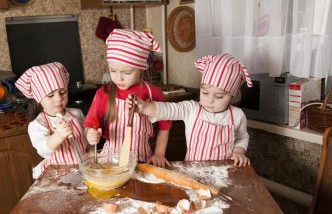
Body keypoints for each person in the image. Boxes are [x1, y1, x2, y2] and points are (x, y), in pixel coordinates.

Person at [128, 53, 252, 167]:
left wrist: (239, 151)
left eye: (219, 96)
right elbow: (168, 109)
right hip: (193, 170)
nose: (210, 100)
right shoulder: (192, 109)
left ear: (233, 96)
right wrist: (145, 107)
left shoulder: (237, 115)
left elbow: (242, 137)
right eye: (205, 93)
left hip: (224, 172)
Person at [84, 29, 172, 167]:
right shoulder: (103, 93)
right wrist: (90, 133)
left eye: (127, 72)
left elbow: (165, 127)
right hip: (109, 162)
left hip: (142, 161)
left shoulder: (154, 93)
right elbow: (89, 125)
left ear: (141, 68)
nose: (119, 78)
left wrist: (159, 154)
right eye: (112, 70)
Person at [15, 62, 88, 178]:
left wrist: (93, 136)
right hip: (57, 175)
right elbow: (44, 148)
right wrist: (58, 135)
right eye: (50, 95)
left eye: (62, 92)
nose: (59, 99)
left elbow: (86, 143)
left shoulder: (76, 114)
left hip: (84, 169)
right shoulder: (38, 124)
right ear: (39, 98)